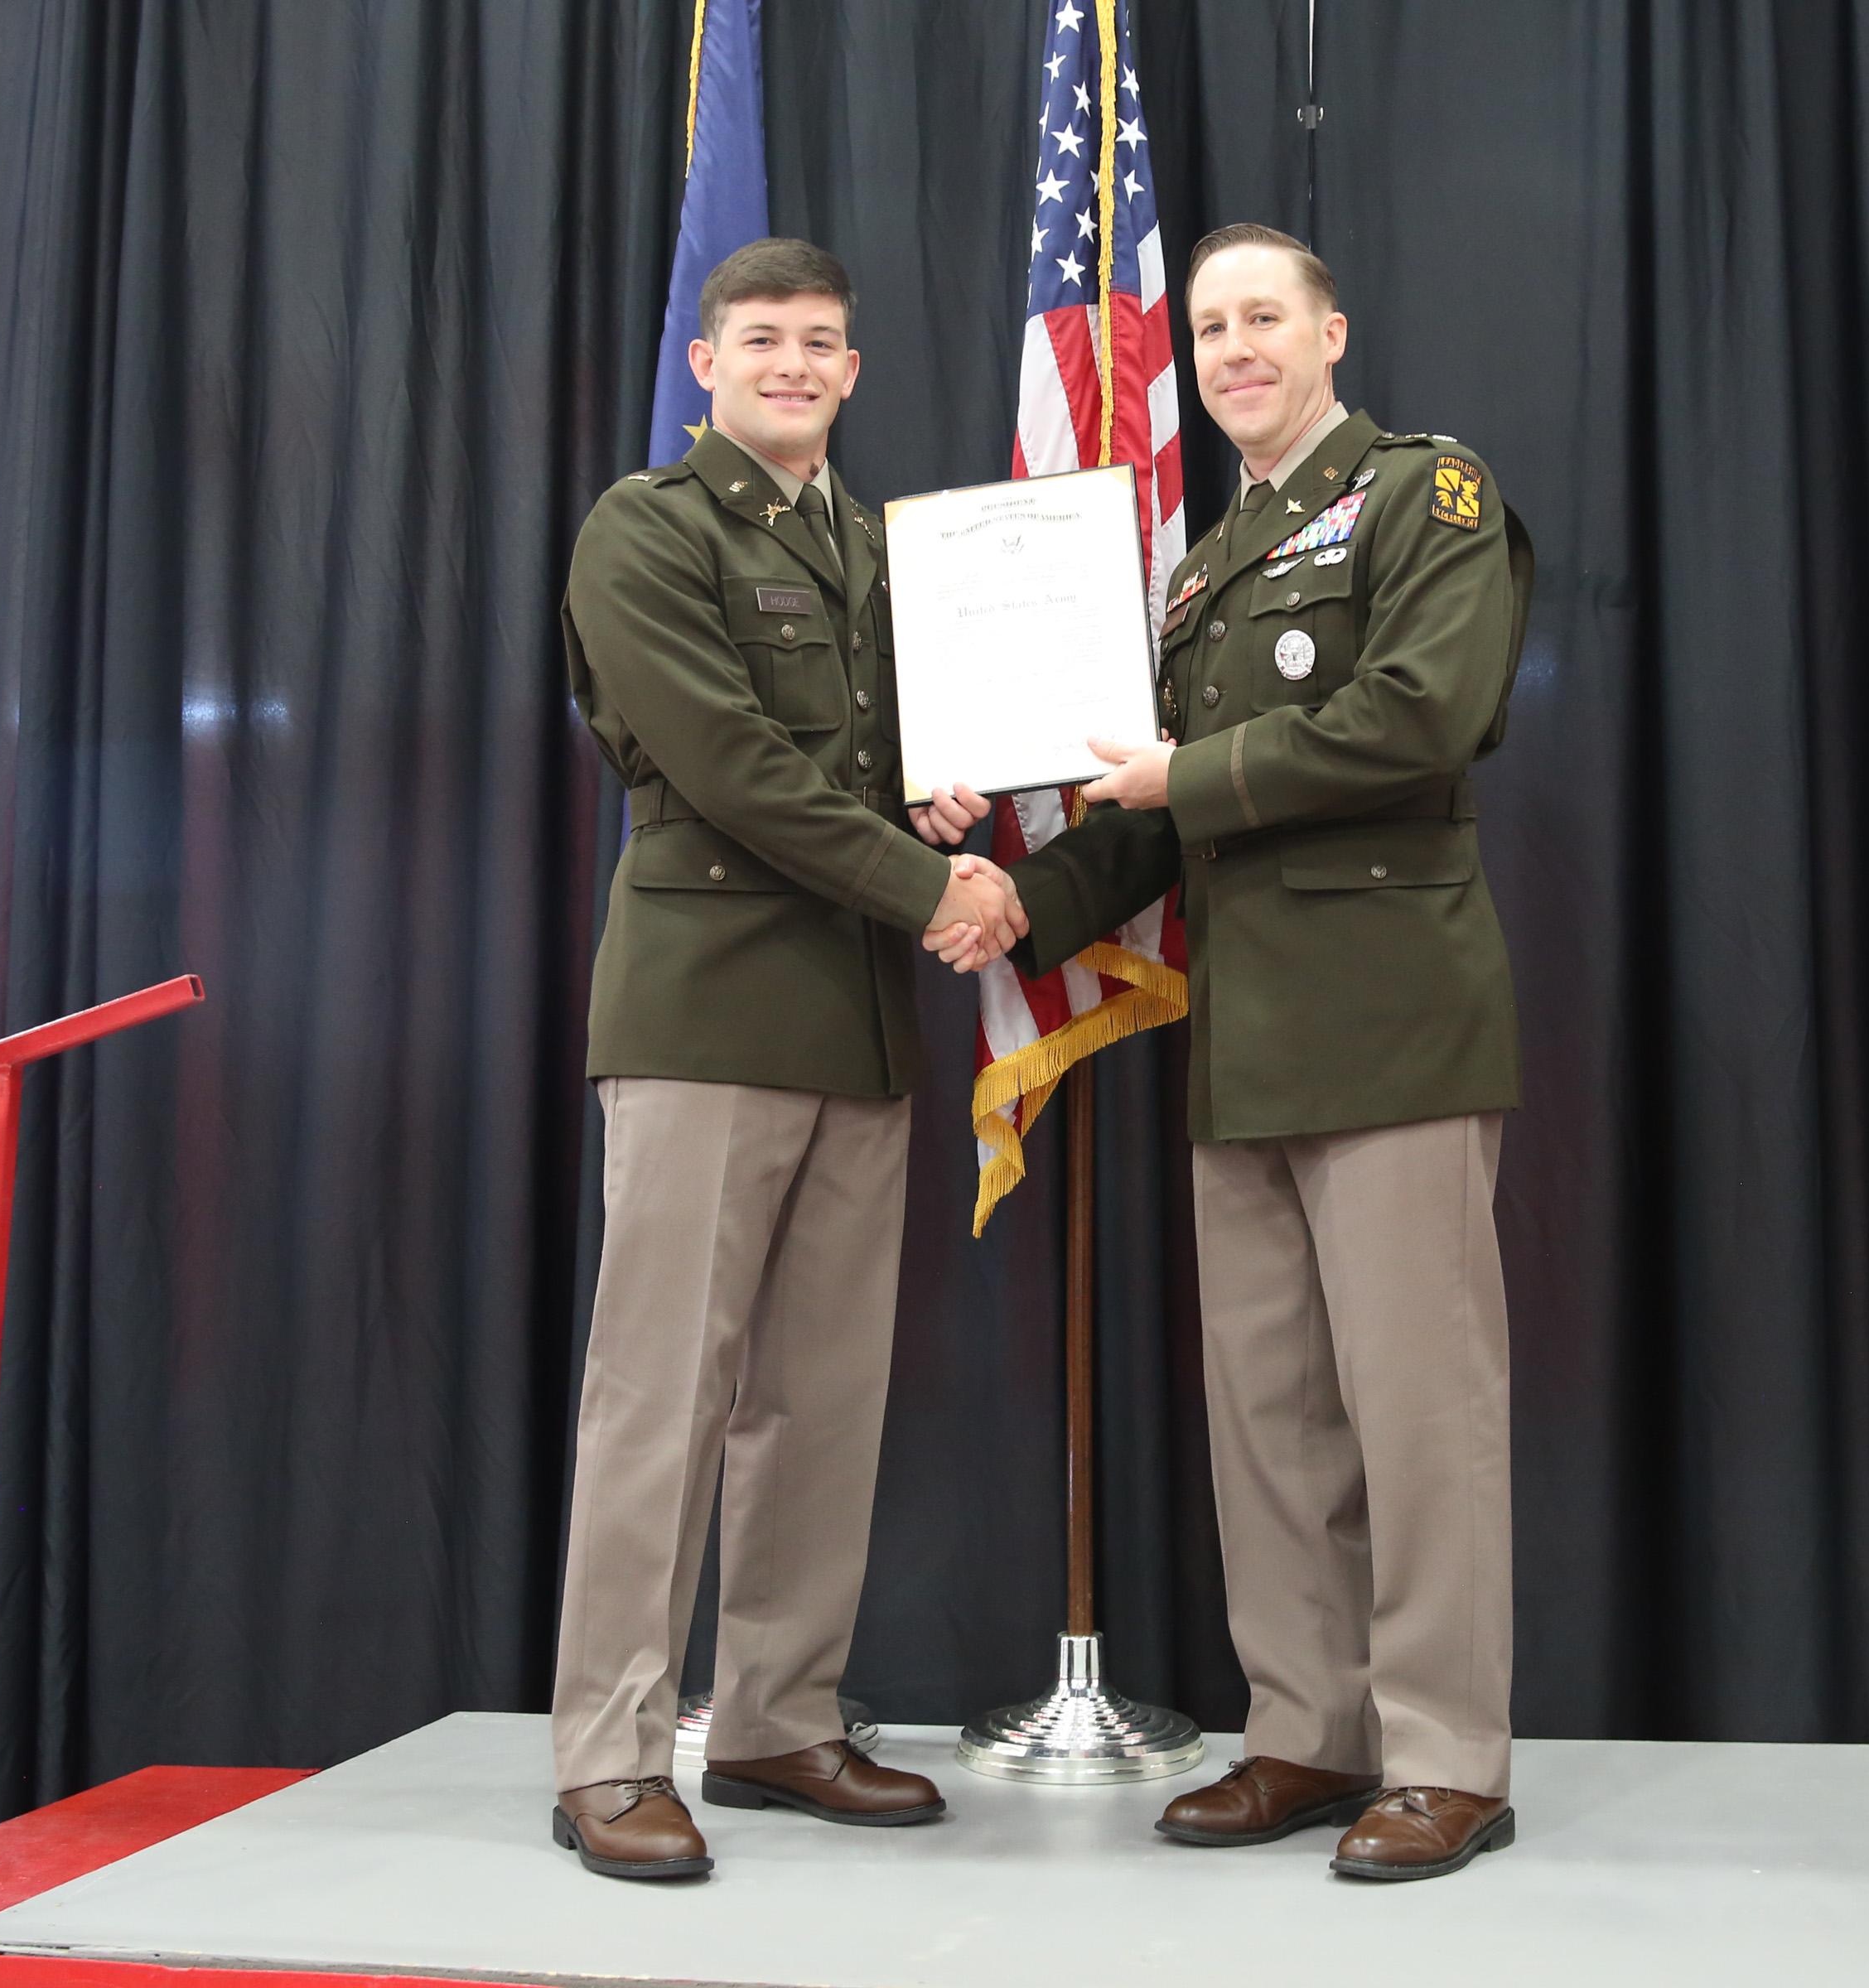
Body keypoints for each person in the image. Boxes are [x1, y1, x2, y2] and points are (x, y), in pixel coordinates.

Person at [925, 222, 1533, 1882]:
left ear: (1334, 329)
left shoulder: (1428, 500)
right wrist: (1010, 909)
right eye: (1209, 328)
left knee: (1421, 1416)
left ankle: (1447, 1761)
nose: (1235, 347)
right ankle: (1310, 1738)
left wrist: (1181, 782)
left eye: (1265, 316)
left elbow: (1420, 714)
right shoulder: (1200, 568)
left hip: (1398, 1022)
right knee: (1271, 1422)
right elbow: (1146, 824)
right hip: (1248, 1038)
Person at [550, 237, 1026, 1881]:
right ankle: (611, 1751)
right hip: (709, 1005)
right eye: (764, 341)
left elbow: (880, 755)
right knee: (661, 1396)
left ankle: (772, 1719)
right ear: (706, 362)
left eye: (823, 344)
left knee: (820, 1402)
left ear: (853, 370)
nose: (795, 366)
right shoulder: (646, 528)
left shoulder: (886, 552)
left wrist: (943, 796)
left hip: (858, 1016)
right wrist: (927, 881)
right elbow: (736, 764)